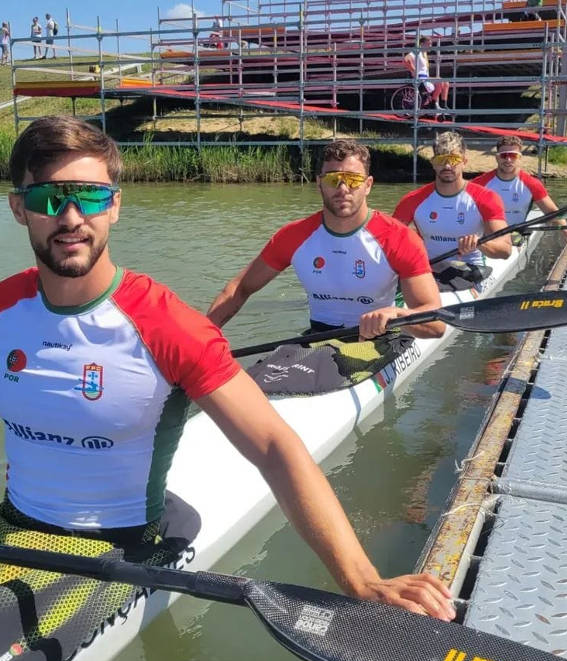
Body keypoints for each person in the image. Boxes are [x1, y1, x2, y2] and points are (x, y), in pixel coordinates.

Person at [1, 116, 455, 622]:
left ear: (115, 206)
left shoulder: (166, 324)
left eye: (88, 197)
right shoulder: (4, 306)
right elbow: (240, 288)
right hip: (12, 525)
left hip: (114, 547)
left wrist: (361, 579)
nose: (69, 217)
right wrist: (215, 336)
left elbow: (274, 447)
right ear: (19, 207)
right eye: (47, 198)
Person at [207, 139, 446, 342]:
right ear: (319, 183)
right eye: (333, 179)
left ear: (368, 185)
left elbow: (437, 324)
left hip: (380, 338)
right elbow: (239, 289)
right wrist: (203, 337)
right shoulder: (293, 236)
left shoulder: (400, 238)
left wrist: (397, 315)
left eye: (352, 180)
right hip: (318, 337)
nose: (343, 188)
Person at [392, 131, 511, 292]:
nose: (447, 166)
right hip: (430, 269)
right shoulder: (412, 200)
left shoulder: (486, 198)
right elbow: (389, 244)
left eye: (454, 160)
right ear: (433, 163)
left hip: (471, 271)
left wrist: (481, 244)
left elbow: (505, 250)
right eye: (442, 160)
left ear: (464, 162)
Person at [472, 135, 567, 238]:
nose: (508, 160)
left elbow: (551, 211)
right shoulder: (480, 183)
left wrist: (566, 230)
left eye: (513, 155)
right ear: (497, 158)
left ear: (520, 158)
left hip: (515, 236)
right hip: (486, 237)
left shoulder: (532, 184)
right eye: (504, 155)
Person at [402, 36, 450, 111]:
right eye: (428, 44)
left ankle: (444, 105)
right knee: (440, 81)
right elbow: (406, 60)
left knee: (446, 83)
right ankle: (433, 104)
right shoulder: (416, 51)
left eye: (430, 44)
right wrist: (413, 71)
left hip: (425, 77)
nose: (430, 46)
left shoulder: (424, 54)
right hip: (420, 78)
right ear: (422, 44)